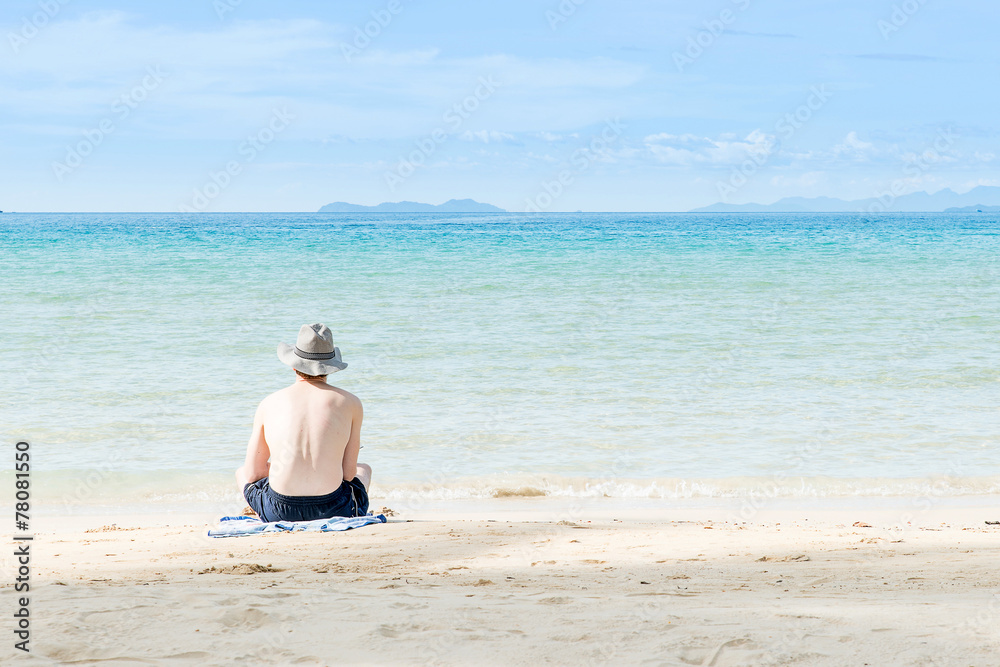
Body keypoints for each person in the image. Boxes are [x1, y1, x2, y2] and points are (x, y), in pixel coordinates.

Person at [235, 323, 371, 522]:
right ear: (331, 367)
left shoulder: (269, 403)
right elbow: (349, 475)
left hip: (280, 511)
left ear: (293, 364)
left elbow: (254, 472)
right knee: (363, 469)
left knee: (241, 473)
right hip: (334, 509)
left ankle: (261, 512)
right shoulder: (350, 402)